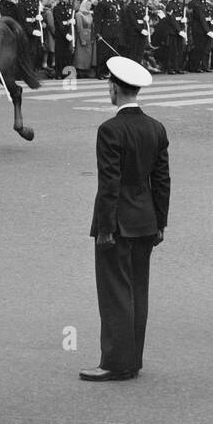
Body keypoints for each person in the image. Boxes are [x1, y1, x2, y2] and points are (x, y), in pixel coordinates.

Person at [82, 56, 171, 381]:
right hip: (146, 219)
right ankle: (132, 359)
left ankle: (115, 362)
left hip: (117, 221)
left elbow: (109, 183)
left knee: (115, 294)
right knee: (138, 291)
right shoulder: (155, 128)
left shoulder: (110, 130)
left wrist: (105, 227)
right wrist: (161, 222)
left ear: (115, 88)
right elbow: (162, 181)